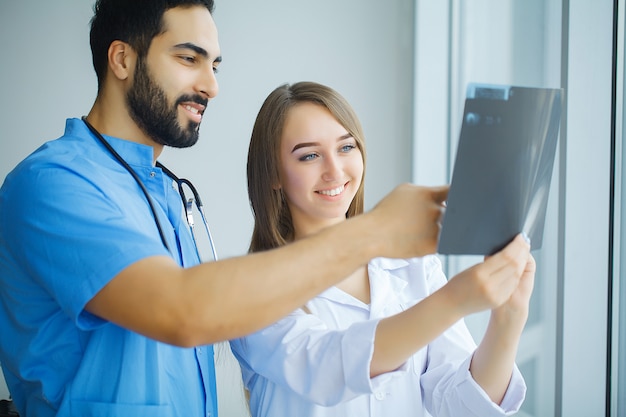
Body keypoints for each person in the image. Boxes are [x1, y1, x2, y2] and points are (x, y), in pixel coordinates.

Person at [0, 2, 449, 417]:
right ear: (122, 59)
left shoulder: (167, 194)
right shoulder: (55, 185)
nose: (211, 86)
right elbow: (182, 310)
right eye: (188, 59)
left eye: (213, 65)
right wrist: (372, 233)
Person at [230, 81, 534, 417]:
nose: (335, 171)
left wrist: (509, 317)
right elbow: (331, 368)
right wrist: (455, 299)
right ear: (273, 173)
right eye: (310, 155)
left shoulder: (413, 265)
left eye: (346, 148)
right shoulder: (252, 295)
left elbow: (460, 406)